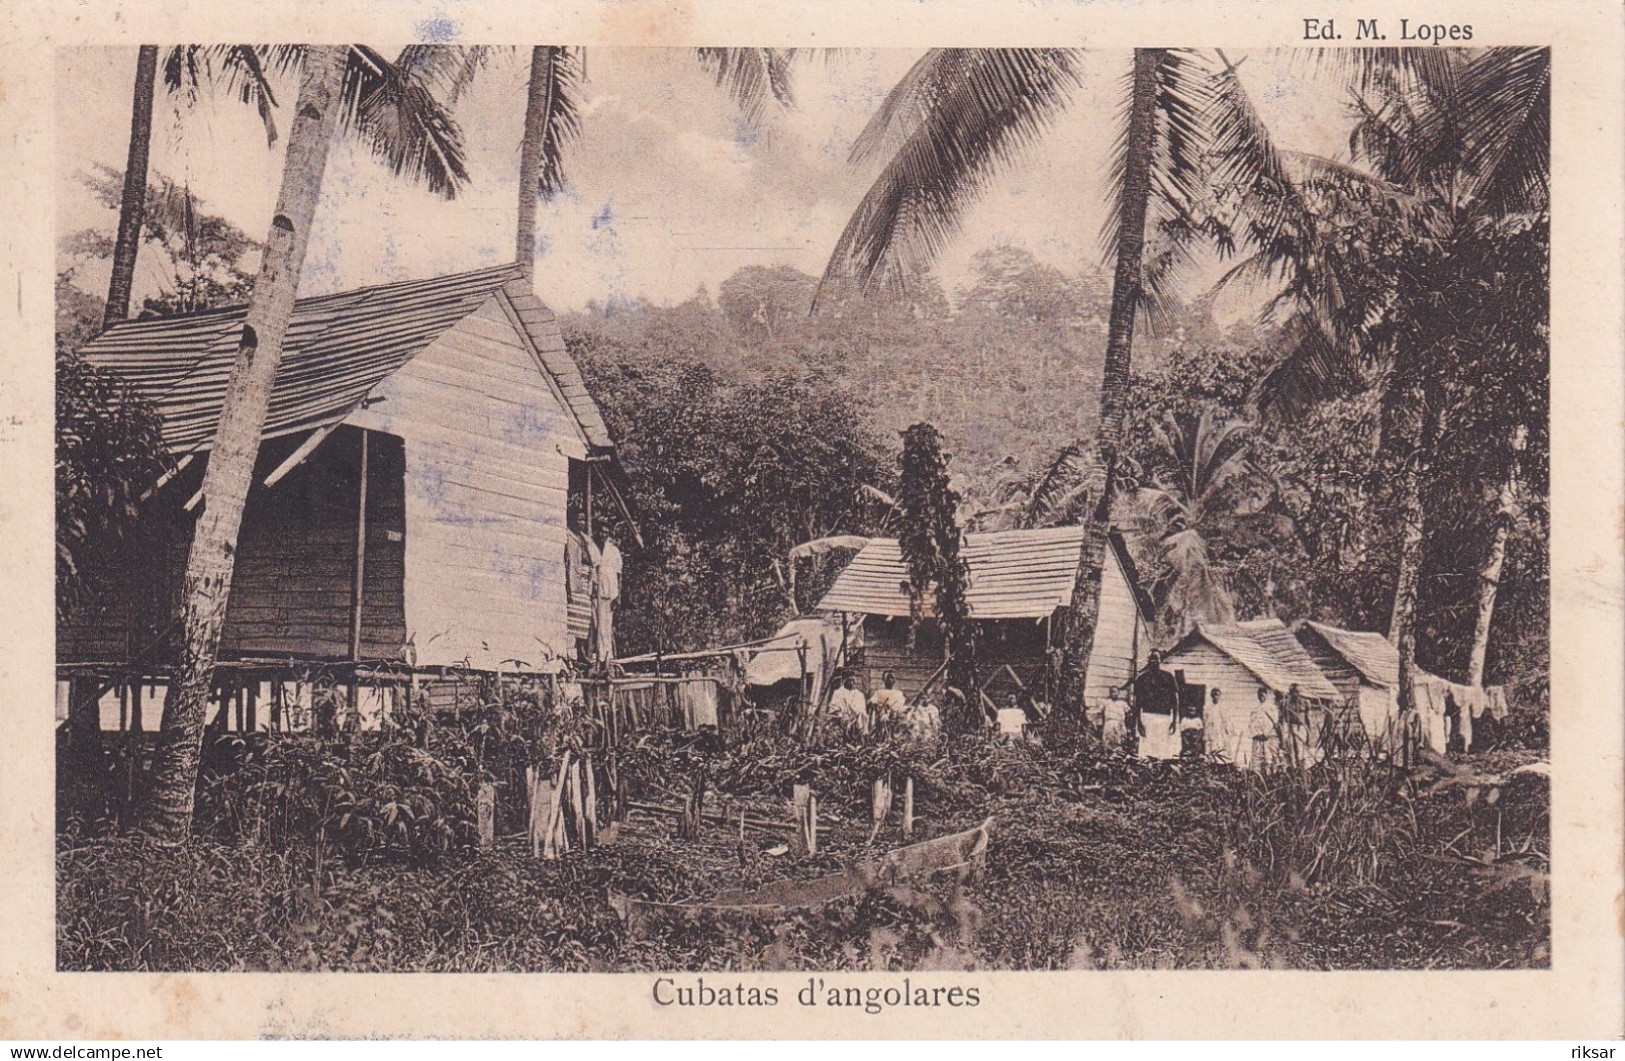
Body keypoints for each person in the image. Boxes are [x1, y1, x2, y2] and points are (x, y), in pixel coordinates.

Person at [1133, 651, 1181, 759]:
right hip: (1147, 717)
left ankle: (1162, 772)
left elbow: (1175, 700)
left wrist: (1174, 721)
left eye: (1156, 659)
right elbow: (1137, 702)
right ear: (1148, 661)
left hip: (1164, 717)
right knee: (1147, 749)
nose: (1154, 662)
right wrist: (1139, 722)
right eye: (1151, 659)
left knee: (1163, 749)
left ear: (1160, 661)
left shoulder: (1168, 677)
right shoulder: (1141, 678)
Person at [1102, 685, 1131, 753]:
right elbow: (1103, 714)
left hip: (1119, 723)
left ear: (1118, 693)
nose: (1113, 694)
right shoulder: (1107, 702)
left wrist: (1126, 725)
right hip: (1109, 723)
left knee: (1120, 740)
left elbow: (1128, 714)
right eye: (1111, 692)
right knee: (1108, 741)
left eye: (1115, 692)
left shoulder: (1123, 703)